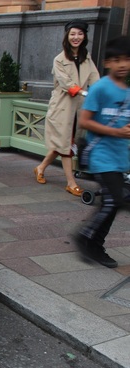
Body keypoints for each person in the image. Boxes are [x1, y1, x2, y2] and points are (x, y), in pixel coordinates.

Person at [73, 36, 130, 268]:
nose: (123, 64)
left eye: (127, 59)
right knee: (113, 201)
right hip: (101, 156)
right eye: (117, 60)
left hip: (120, 158)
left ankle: (94, 245)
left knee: (112, 203)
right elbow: (85, 121)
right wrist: (114, 132)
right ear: (107, 63)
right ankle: (85, 237)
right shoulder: (101, 88)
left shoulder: (127, 91)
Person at [33, 20, 100, 196]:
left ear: (84, 36)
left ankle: (40, 167)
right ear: (67, 36)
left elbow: (95, 78)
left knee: (64, 143)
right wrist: (83, 92)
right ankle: (71, 182)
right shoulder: (59, 59)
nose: (76, 37)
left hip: (79, 108)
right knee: (66, 145)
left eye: (79, 34)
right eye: (72, 34)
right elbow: (66, 83)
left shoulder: (87, 57)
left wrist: (103, 92)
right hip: (62, 107)